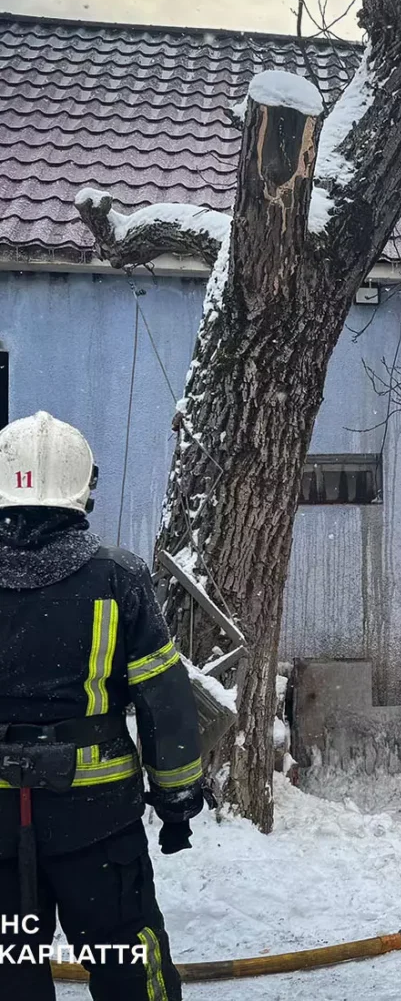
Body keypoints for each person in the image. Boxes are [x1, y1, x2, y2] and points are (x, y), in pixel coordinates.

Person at [0, 412, 203, 1001]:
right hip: (96, 828)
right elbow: (165, 703)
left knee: (10, 963)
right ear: (82, 489)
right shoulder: (118, 578)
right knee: (124, 959)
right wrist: (177, 799)